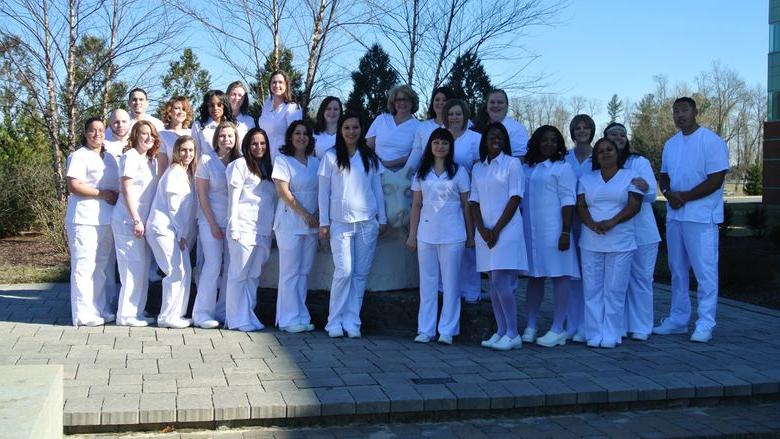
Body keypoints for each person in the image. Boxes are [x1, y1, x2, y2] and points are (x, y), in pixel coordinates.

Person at [653, 97, 728, 343]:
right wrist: (668, 194)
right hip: (676, 216)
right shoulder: (671, 144)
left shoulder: (711, 141)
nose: (679, 115)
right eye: (675, 111)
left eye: (684, 110)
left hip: (701, 217)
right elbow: (663, 176)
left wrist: (684, 196)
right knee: (677, 269)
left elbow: (716, 179)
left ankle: (705, 322)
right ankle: (678, 319)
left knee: (705, 272)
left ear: (695, 111)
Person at [318, 113, 387, 338]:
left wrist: (382, 219)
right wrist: (324, 222)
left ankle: (352, 320)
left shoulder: (370, 158)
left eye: (355, 127)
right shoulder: (330, 157)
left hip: (367, 222)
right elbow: (323, 192)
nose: (351, 132)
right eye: (347, 127)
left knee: (359, 274)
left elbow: (377, 189)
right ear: (341, 130)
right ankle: (334, 321)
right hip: (340, 223)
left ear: (360, 130)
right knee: (344, 271)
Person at [406, 128, 473, 345]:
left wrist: (470, 235)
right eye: (436, 142)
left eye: (444, 143)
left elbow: (466, 205)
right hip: (426, 233)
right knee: (427, 284)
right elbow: (416, 205)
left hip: (453, 234)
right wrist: (412, 235)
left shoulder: (459, 172)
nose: (440, 146)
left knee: (451, 283)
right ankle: (425, 329)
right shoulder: (421, 173)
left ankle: (447, 329)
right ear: (430, 146)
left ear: (450, 147)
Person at [576, 137, 642, 348]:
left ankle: (612, 334)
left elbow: (634, 205)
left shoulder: (631, 176)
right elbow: (581, 206)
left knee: (614, 290)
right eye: (601, 151)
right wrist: (593, 225)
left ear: (617, 153)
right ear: (595, 156)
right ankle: (594, 333)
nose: (605, 153)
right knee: (592, 289)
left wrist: (612, 222)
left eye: (609, 149)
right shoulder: (587, 179)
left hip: (620, 242)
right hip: (591, 240)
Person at [520, 125, 579, 347]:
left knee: (560, 276)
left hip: (555, 231)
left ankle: (558, 328)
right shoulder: (527, 168)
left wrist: (565, 231)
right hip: (531, 232)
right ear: (536, 142)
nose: (549, 144)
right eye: (544, 140)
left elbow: (568, 200)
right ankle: (532, 325)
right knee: (534, 277)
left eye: (554, 141)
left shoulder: (562, 168)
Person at [471, 122, 527, 351]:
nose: (496, 140)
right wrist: (483, 230)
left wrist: (496, 229)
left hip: (507, 230)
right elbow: (473, 201)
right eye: (491, 136)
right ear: (484, 141)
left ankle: (513, 333)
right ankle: (501, 330)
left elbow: (515, 198)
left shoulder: (512, 164)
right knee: (493, 285)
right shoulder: (478, 168)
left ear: (505, 141)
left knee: (501, 282)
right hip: (485, 232)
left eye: (500, 137)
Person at [604, 122, 660, 341]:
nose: (618, 137)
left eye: (622, 134)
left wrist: (642, 187)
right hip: (615, 231)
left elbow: (651, 193)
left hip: (642, 231)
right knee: (616, 281)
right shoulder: (602, 162)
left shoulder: (638, 161)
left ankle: (641, 326)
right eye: (613, 134)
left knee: (641, 278)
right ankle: (618, 325)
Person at [65, 117, 119, 326]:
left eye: (100, 130)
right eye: (92, 130)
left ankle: (100, 308)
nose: (97, 134)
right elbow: (74, 185)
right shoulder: (78, 156)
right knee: (84, 265)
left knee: (102, 266)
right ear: (85, 133)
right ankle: (83, 314)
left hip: (106, 219)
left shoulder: (110, 157)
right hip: (84, 218)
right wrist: (102, 194)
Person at [224, 128, 276, 332]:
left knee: (253, 276)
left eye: (262, 143)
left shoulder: (268, 168)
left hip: (262, 229)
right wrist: (233, 226)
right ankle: (236, 319)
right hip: (243, 228)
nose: (259, 147)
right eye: (254, 143)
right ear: (247, 145)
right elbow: (233, 199)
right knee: (239, 274)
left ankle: (248, 314)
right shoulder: (239, 165)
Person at [112, 120, 161, 326]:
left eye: (151, 134)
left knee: (141, 268)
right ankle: (126, 315)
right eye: (143, 134)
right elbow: (127, 190)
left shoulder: (150, 159)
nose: (148, 137)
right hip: (129, 220)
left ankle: (137, 312)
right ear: (135, 136)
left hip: (142, 223)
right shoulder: (130, 156)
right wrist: (136, 219)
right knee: (131, 269)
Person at [192, 122, 241, 329]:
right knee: (212, 266)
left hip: (233, 222)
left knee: (231, 268)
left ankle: (224, 311)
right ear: (216, 138)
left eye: (230, 136)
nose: (226, 140)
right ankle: (202, 313)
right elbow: (202, 196)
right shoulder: (206, 160)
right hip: (210, 221)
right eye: (222, 136)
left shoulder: (241, 161)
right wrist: (212, 224)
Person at [146, 135, 198, 329]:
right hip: (164, 229)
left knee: (183, 271)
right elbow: (174, 207)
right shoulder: (174, 171)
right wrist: (181, 234)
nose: (187, 154)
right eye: (183, 150)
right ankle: (167, 316)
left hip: (174, 231)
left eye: (191, 150)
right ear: (176, 152)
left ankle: (177, 313)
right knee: (175, 271)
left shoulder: (186, 173)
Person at [272, 121, 319, 333]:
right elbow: (284, 192)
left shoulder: (316, 161)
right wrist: (305, 214)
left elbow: (323, 191)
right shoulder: (283, 161)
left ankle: (301, 315)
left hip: (312, 225)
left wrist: (317, 215)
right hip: (290, 223)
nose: (301, 137)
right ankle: (287, 319)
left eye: (305, 134)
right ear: (290, 137)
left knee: (304, 272)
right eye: (297, 133)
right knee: (290, 273)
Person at [443, 99, 481, 303]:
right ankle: (446, 287)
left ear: (465, 116)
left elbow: (479, 168)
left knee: (468, 241)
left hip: (467, 194)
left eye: (458, 114)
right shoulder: (440, 136)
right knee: (446, 242)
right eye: (451, 114)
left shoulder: (475, 139)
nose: (454, 118)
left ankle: (471, 289)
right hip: (443, 198)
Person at [564, 114, 596, 342]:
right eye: (577, 128)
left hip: (592, 221)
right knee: (571, 274)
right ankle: (571, 322)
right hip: (569, 220)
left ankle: (587, 324)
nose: (581, 131)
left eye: (586, 128)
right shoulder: (565, 157)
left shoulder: (600, 156)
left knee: (589, 275)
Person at [366, 84, 421, 170]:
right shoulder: (381, 119)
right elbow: (369, 146)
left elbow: (415, 155)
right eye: (398, 99)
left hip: (401, 177)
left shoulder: (419, 127)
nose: (402, 102)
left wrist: (387, 164)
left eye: (406, 99)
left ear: (412, 102)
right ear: (393, 102)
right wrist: (376, 163)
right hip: (375, 171)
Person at [258, 70, 302, 163]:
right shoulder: (267, 103)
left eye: (280, 82)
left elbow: (297, 136)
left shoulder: (293, 107)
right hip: (264, 156)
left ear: (286, 85)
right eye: (274, 82)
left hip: (283, 158)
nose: (277, 85)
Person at [407, 87, 452, 171]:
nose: (440, 103)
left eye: (444, 100)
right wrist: (406, 172)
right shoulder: (423, 126)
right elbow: (417, 151)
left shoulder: (461, 124)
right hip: (427, 175)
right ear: (432, 103)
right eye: (437, 100)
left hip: (453, 173)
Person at [476, 89, 529, 158]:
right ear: (486, 106)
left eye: (500, 102)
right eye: (492, 102)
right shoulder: (476, 128)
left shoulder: (517, 129)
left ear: (507, 107)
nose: (496, 105)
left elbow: (520, 158)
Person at [192, 90, 234, 157]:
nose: (215, 108)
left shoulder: (232, 125)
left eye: (219, 105)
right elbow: (196, 153)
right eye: (211, 105)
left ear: (224, 106)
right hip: (206, 166)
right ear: (207, 107)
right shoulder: (198, 125)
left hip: (228, 166)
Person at [159, 96, 194, 164]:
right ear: (169, 111)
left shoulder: (192, 133)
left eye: (184, 109)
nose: (181, 112)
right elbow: (162, 165)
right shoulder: (162, 135)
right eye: (177, 108)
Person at [226, 81, 256, 146]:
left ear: (244, 99)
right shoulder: (220, 118)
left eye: (240, 95)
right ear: (227, 96)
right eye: (233, 94)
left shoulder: (249, 121)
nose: (237, 98)